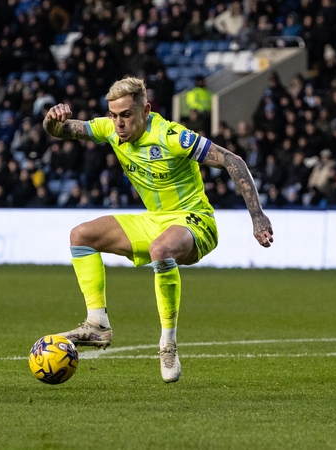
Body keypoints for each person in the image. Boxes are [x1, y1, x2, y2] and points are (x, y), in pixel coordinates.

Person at [43, 77, 273, 383]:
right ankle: (97, 324)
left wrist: (257, 217)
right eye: (113, 115)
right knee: (80, 235)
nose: (118, 124)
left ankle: (168, 345)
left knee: (160, 250)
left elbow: (233, 160)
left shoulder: (171, 136)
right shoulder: (109, 129)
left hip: (195, 220)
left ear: (146, 110)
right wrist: (51, 120)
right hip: (154, 220)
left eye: (126, 115)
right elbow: (63, 130)